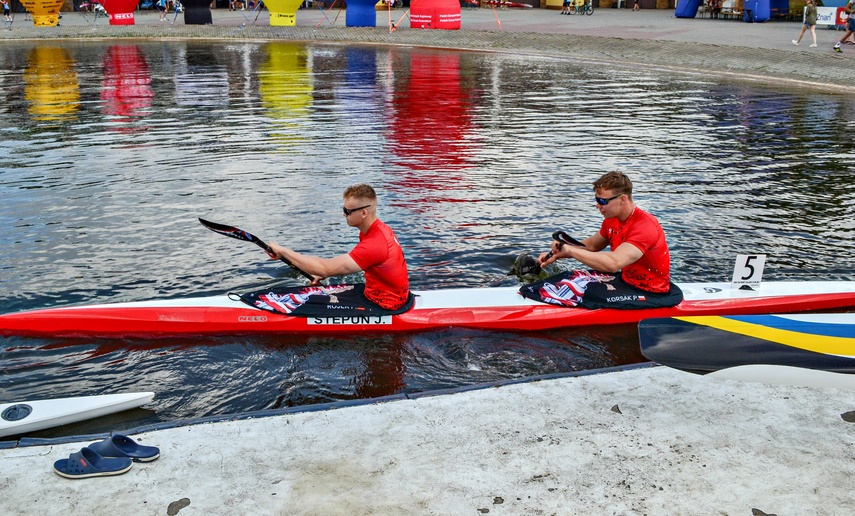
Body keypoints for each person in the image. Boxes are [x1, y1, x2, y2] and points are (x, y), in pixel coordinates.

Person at [526, 171, 682, 310]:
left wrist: (571, 251)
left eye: (602, 201)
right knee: (570, 277)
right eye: (597, 200)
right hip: (626, 281)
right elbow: (592, 245)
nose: (597, 206)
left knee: (576, 289)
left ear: (622, 199)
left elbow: (614, 264)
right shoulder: (612, 220)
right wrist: (559, 253)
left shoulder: (644, 227)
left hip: (651, 292)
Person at [266, 184, 410, 310]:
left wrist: (283, 251)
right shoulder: (378, 229)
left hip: (385, 305)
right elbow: (348, 264)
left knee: (313, 305)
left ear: (364, 213)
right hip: (382, 294)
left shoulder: (375, 243)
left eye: (348, 211)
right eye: (344, 209)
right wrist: (325, 273)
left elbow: (325, 267)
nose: (343, 214)